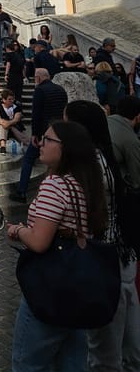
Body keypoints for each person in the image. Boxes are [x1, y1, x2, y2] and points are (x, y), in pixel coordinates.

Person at [7, 120, 108, 372]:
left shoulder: (56, 186)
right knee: (72, 363)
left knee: (26, 364)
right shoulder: (82, 183)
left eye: (48, 139)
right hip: (76, 289)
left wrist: (18, 230)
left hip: (49, 289)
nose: (40, 142)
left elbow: (40, 243)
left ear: (66, 148)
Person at [64, 99, 140, 372]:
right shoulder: (106, 155)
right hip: (122, 255)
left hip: (102, 262)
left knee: (103, 353)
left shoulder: (86, 166)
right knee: (130, 344)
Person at [10, 69, 67, 203]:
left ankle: (22, 192)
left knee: (28, 159)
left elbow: (36, 114)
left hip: (44, 132)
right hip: (59, 131)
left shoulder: (40, 90)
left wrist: (35, 134)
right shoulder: (60, 89)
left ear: (38, 78)